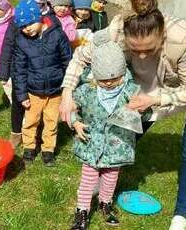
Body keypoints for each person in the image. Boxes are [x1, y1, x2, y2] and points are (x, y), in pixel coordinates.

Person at [59, 0, 186, 230]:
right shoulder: (117, 31)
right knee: (128, 130)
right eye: (135, 50)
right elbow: (82, 56)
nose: (141, 55)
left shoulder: (182, 38)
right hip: (158, 75)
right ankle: (104, 176)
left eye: (148, 48)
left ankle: (181, 216)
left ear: (161, 35)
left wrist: (154, 99)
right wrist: (67, 94)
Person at [70, 34, 148, 229]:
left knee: (111, 176)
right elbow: (71, 107)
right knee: (88, 179)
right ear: (96, 75)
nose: (110, 82)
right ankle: (82, 211)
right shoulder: (86, 90)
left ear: (122, 73)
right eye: (104, 79)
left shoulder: (131, 90)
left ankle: (106, 204)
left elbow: (144, 111)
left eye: (115, 77)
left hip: (117, 145)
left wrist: (141, 109)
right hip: (91, 143)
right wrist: (75, 123)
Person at [12, 0, 72, 166]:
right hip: (33, 91)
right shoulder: (22, 41)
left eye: (29, 24)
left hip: (55, 91)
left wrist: (68, 87)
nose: (26, 29)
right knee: (31, 120)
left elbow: (67, 61)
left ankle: (48, 150)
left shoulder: (57, 34)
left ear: (38, 18)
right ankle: (29, 148)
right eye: (22, 27)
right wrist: (22, 94)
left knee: (51, 122)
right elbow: (19, 70)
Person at [0, 0, 51, 148]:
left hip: (40, 70)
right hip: (19, 70)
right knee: (18, 102)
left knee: (38, 103)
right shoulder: (18, 17)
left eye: (36, 3)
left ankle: (35, 132)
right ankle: (16, 132)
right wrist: (3, 72)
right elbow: (7, 45)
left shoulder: (49, 19)